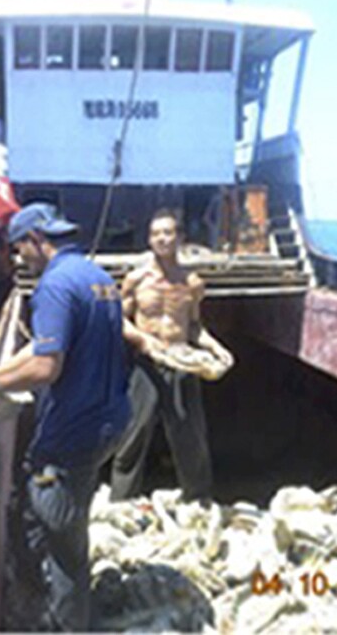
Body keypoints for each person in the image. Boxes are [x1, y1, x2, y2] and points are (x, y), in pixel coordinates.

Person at [0, 202, 130, 631]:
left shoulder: (54, 286)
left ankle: (65, 624)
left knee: (61, 543)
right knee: (60, 520)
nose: (19, 259)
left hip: (74, 431)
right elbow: (43, 348)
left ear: (37, 239)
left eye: (20, 249)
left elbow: (45, 366)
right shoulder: (98, 277)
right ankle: (59, 608)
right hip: (109, 421)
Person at [109, 208, 233, 502]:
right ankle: (120, 502)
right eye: (156, 234)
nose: (162, 239)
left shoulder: (192, 283)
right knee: (133, 434)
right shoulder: (136, 279)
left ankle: (198, 499)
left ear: (180, 238)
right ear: (150, 240)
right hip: (147, 362)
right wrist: (143, 342)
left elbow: (193, 327)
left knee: (190, 436)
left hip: (182, 361)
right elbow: (118, 320)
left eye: (168, 233)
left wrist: (216, 347)